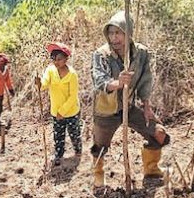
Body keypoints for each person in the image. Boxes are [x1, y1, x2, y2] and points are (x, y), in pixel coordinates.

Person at [91, 10, 170, 187]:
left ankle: (151, 171)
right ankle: (98, 174)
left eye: (118, 33)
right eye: (111, 33)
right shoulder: (101, 54)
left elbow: (145, 80)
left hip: (128, 105)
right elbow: (99, 81)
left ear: (129, 33)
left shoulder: (141, 53)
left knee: (158, 133)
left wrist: (147, 106)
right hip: (106, 109)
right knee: (99, 147)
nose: (114, 38)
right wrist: (117, 83)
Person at [35, 42, 82, 166]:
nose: (56, 62)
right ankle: (58, 155)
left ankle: (78, 151)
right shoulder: (50, 70)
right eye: (54, 59)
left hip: (71, 111)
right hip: (56, 111)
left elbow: (73, 96)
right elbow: (44, 84)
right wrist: (40, 84)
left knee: (74, 133)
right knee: (58, 135)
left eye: (59, 59)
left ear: (66, 59)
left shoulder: (72, 74)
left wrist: (63, 111)